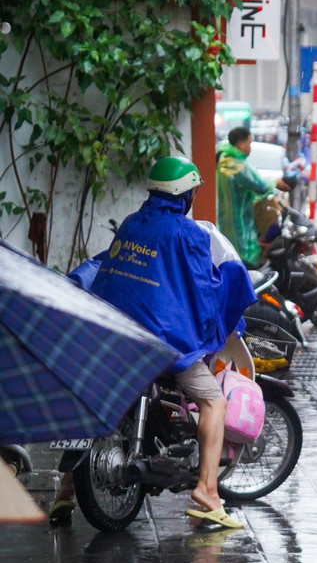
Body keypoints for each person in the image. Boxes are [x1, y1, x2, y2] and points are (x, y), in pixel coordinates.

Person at [91, 157, 256, 529]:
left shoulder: (132, 224)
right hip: (162, 343)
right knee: (213, 402)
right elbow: (204, 289)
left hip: (116, 334)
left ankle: (67, 491)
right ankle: (208, 491)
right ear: (187, 194)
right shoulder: (190, 233)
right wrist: (229, 315)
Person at [216, 126, 283, 265]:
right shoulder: (237, 165)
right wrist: (275, 182)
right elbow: (260, 186)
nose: (250, 148)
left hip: (225, 220)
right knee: (243, 258)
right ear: (241, 144)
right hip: (239, 222)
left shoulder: (224, 159)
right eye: (249, 143)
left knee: (229, 253)